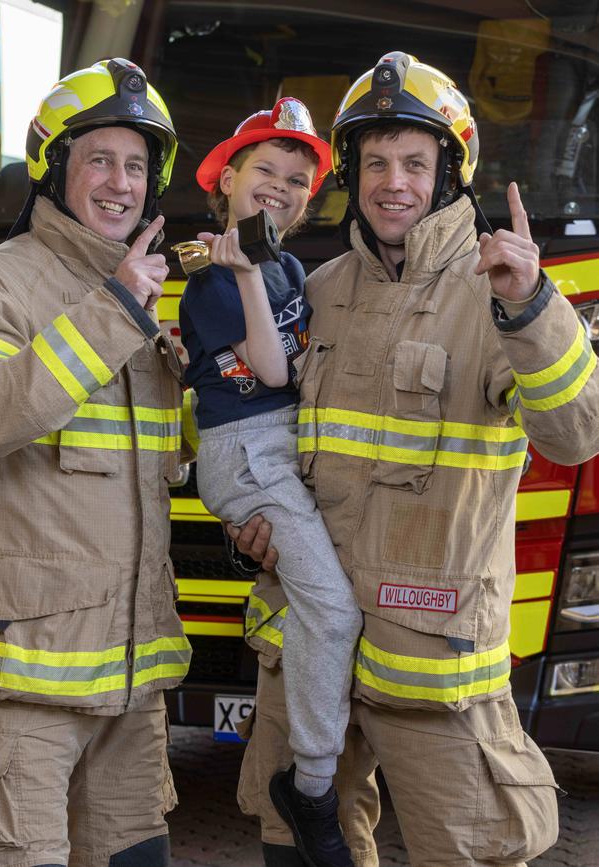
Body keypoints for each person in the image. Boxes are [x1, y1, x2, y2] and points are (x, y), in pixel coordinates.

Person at [230, 51, 599, 866]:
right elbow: (263, 438)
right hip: (307, 654)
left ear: (449, 174)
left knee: (466, 852)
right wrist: (248, 523)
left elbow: (576, 434)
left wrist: (533, 309)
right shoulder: (314, 288)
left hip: (431, 664)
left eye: (414, 163)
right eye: (374, 162)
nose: (392, 182)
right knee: (295, 846)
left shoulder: (499, 292)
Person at [0, 58, 192, 867]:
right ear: (55, 167)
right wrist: (114, 312)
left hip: (129, 690)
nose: (120, 182)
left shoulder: (143, 300)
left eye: (136, 165)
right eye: (99, 159)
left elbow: (158, 473)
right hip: (20, 692)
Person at [178, 97, 363, 866]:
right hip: (248, 453)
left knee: (322, 609)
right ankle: (311, 784)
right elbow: (274, 368)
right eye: (265, 170)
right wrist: (247, 273)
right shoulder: (218, 278)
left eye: (298, 178)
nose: (281, 187)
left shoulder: (288, 266)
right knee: (334, 609)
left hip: (282, 447)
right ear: (226, 180)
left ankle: (308, 769)